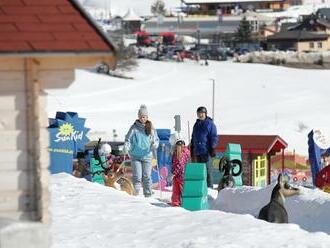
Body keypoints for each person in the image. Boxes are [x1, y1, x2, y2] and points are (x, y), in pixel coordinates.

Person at [124, 104, 159, 197]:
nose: (142, 118)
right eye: (141, 117)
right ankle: (135, 194)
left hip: (147, 156)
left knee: (147, 176)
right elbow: (127, 139)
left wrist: (155, 144)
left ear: (147, 117)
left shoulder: (151, 127)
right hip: (135, 156)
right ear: (138, 117)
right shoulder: (134, 128)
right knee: (137, 176)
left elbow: (156, 139)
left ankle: (148, 194)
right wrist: (126, 146)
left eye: (144, 117)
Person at [191, 106, 218, 188]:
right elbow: (193, 136)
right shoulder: (196, 124)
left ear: (205, 114)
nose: (200, 115)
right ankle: (201, 187)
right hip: (197, 151)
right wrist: (192, 147)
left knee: (207, 171)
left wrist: (212, 148)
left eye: (202, 113)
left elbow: (213, 136)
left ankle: (209, 188)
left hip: (206, 151)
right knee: (199, 171)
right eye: (199, 113)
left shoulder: (210, 124)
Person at [171, 139, 190, 207]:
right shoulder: (186, 152)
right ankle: (177, 202)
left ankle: (178, 202)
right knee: (180, 189)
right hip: (183, 174)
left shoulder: (179, 153)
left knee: (177, 190)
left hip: (179, 175)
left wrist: (173, 173)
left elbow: (179, 164)